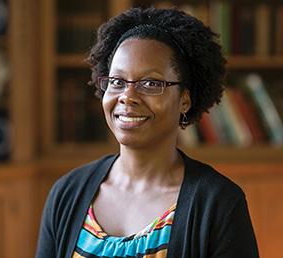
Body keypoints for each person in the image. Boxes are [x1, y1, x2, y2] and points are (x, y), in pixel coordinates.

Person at [36, 7, 259, 258]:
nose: (127, 97)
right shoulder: (66, 193)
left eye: (151, 84)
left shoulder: (218, 204)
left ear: (185, 99)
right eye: (117, 82)